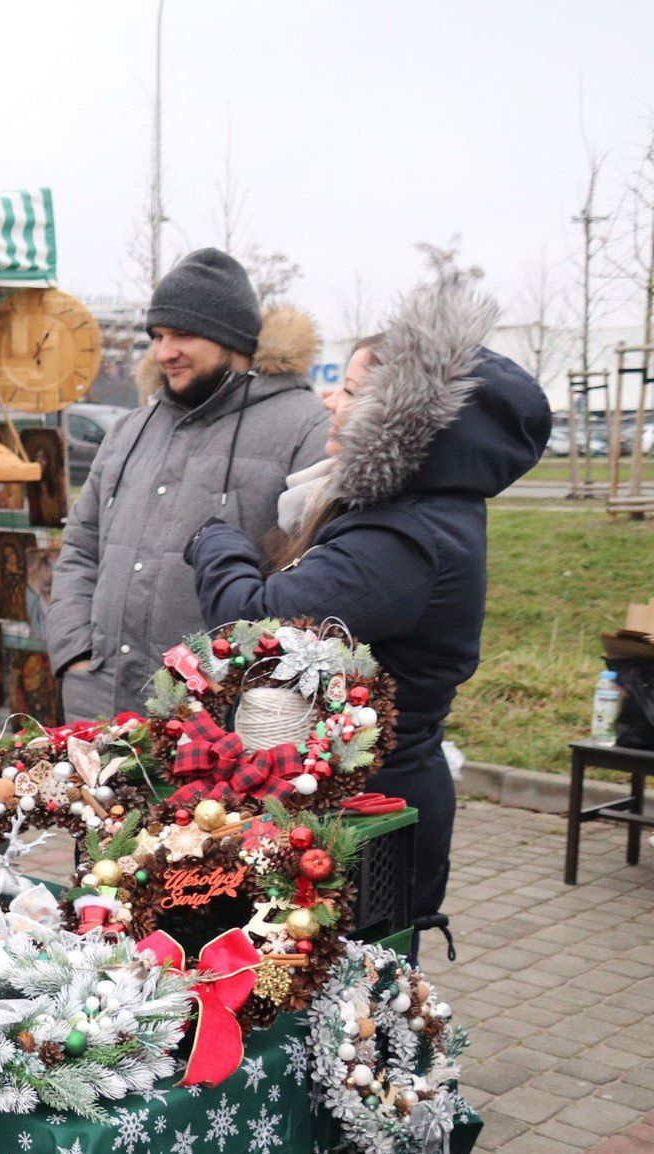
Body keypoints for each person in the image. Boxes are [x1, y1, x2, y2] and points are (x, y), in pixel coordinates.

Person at [185, 282, 550, 931]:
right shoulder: (411, 512)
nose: (330, 399)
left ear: (404, 421)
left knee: (345, 982)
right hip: (350, 801)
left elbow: (258, 624)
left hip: (369, 819)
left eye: (352, 392)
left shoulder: (403, 541)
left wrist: (215, 542)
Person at [48, 248, 330, 721]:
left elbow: (318, 579)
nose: (164, 352)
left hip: (219, 725)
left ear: (231, 338)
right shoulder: (129, 430)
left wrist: (250, 691)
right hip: (98, 705)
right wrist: (75, 654)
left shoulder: (307, 428)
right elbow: (80, 547)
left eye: (182, 334)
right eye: (157, 336)